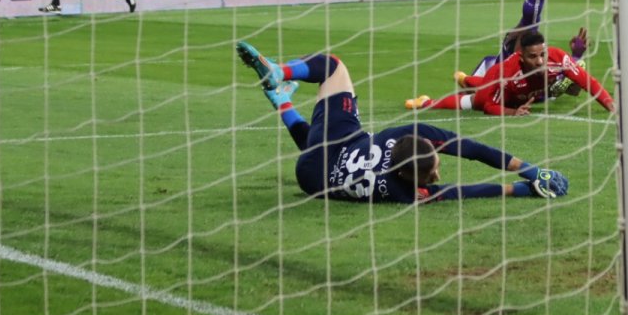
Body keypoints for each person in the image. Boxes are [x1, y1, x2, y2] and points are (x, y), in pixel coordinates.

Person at [235, 44, 569, 203]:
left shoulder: (406, 135)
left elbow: (466, 163)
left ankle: (281, 71)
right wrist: (523, 183)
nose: (437, 174)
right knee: (317, 151)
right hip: (310, 177)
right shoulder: (403, 191)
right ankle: (283, 101)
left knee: (333, 68)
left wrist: (529, 175)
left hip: (340, 148)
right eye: (433, 172)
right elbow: (459, 185)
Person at [406, 0, 589, 109]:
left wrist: (577, 57)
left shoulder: (541, 71)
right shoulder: (519, 67)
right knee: (479, 94)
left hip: (519, 82)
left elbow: (575, 90)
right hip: (508, 74)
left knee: (474, 98)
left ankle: (432, 99)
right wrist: (576, 57)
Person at [406, 28, 614, 116]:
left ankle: (466, 79)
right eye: (533, 57)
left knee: (572, 79)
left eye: (542, 54)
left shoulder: (557, 58)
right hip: (499, 90)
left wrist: (611, 106)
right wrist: (513, 112)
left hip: (526, 93)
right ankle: (425, 102)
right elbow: (489, 106)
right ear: (522, 57)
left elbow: (589, 82)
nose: (540, 61)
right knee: (471, 102)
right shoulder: (507, 71)